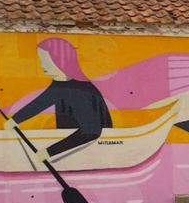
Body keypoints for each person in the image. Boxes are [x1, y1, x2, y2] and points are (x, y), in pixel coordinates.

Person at [7, 38, 111, 166]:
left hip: (88, 151)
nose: (42, 65)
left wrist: (49, 152)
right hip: (73, 147)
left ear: (60, 60)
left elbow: (90, 133)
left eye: (45, 60)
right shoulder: (60, 84)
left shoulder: (83, 92)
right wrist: (15, 120)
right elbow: (40, 103)